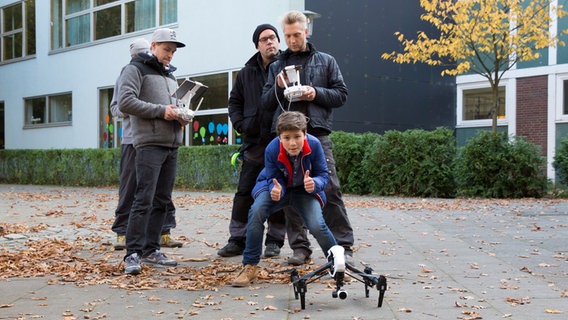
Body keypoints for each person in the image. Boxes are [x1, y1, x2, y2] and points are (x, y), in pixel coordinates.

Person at [262, 10, 355, 265]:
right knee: (291, 193)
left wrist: (315, 93)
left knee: (331, 188)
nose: (292, 40)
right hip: (286, 138)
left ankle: (343, 246)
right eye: (288, 35)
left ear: (306, 31)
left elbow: (341, 94)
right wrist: (278, 88)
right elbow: (265, 103)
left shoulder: (326, 61)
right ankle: (300, 248)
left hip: (317, 134)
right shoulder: (276, 66)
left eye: (297, 34)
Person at [221, 24, 310, 259]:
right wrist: (242, 125)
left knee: (279, 190)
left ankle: (274, 241)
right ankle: (237, 239)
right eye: (264, 39)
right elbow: (234, 103)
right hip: (254, 141)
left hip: (281, 139)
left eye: (273, 38)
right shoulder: (247, 72)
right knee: (244, 192)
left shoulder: (288, 67)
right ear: (257, 45)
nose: (270, 42)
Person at [232, 111, 337, 287]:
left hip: (304, 190)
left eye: (297, 136)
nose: (292, 143)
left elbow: (323, 174)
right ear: (280, 137)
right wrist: (275, 189)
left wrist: (315, 183)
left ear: (305, 134)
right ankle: (250, 265)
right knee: (256, 211)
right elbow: (272, 175)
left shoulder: (315, 145)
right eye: (286, 138)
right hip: (278, 187)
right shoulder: (272, 148)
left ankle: (337, 264)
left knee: (317, 224)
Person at [118, 28, 189, 275]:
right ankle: (132, 254)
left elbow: (172, 106)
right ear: (154, 45)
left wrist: (181, 115)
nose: (170, 55)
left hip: (171, 143)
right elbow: (125, 102)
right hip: (148, 143)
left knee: (161, 200)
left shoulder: (171, 76)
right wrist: (162, 111)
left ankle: (151, 249)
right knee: (143, 198)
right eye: (167, 49)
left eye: (173, 51)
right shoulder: (135, 69)